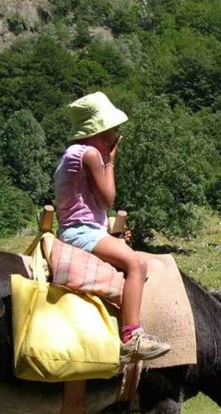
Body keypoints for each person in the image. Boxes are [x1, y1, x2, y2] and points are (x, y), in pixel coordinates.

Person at [54, 91, 171, 363]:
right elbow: (108, 198)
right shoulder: (91, 154)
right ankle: (133, 336)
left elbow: (86, 205)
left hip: (79, 228)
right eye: (111, 128)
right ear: (98, 129)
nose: (115, 133)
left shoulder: (71, 153)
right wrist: (111, 160)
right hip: (80, 232)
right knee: (137, 265)